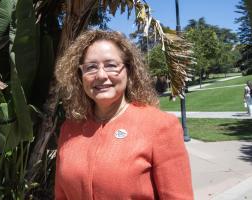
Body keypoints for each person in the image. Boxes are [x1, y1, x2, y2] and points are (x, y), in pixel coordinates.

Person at [54, 30, 193, 199]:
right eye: (91, 67)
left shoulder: (160, 126)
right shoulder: (69, 129)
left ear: (129, 70)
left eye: (111, 65)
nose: (101, 75)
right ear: (80, 75)